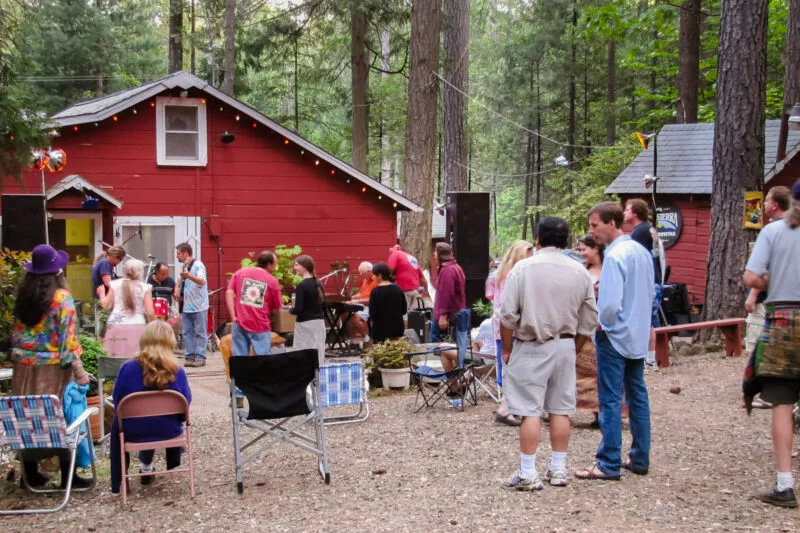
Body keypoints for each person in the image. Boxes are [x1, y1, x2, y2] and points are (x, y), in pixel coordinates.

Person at [499, 218, 597, 490]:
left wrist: (507, 348)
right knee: (561, 409)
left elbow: (507, 316)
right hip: (565, 343)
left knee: (530, 409)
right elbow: (588, 320)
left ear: (538, 239)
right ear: (566, 240)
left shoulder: (523, 269)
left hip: (531, 343)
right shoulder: (580, 272)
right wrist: (573, 347)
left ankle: (528, 472)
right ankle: (558, 469)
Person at [577, 201, 654, 481]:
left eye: (595, 225)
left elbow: (609, 302)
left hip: (615, 333)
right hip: (636, 332)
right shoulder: (641, 251)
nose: (591, 231)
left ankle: (608, 462)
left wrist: (602, 326)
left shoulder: (615, 255)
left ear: (612, 223)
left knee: (609, 398)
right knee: (637, 395)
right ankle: (640, 456)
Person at [11, 244, 92, 489]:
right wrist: (79, 372)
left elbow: (16, 336)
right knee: (62, 418)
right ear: (58, 273)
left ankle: (30, 475)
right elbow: (68, 344)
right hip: (54, 370)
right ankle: (71, 477)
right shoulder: (62, 300)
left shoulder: (23, 296)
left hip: (23, 368)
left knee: (28, 418)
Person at [742, 179, 800, 508]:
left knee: (781, 402)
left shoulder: (774, 232)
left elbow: (752, 277)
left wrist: (771, 276)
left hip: (783, 320)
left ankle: (785, 483)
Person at [109, 321, 192, 495]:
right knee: (155, 420)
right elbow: (185, 407)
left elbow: (118, 403)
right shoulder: (177, 371)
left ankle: (122, 480)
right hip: (168, 430)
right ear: (170, 342)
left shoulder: (127, 368)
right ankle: (147, 467)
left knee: (122, 422)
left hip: (133, 431)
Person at [491, 240, 533, 426]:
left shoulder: (500, 274)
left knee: (510, 366)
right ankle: (506, 408)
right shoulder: (515, 274)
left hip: (500, 324)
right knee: (514, 367)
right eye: (529, 253)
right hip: (511, 325)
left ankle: (509, 406)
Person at [624, 199, 663, 371]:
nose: (624, 212)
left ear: (635, 213)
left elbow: (636, 258)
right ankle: (650, 360)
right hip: (655, 279)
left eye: (627, 209)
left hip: (648, 281)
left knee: (644, 320)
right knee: (650, 322)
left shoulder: (639, 232)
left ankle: (645, 361)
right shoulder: (649, 228)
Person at [575, 235, 606, 427]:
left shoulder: (609, 269)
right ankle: (590, 408)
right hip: (585, 326)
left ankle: (604, 412)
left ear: (596, 249)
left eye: (584, 249)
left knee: (600, 371)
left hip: (604, 323)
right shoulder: (581, 270)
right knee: (583, 371)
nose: (581, 253)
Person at [226, 251, 282, 355]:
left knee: (239, 361)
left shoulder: (240, 273)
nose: (275, 267)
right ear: (269, 265)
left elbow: (229, 292)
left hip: (239, 323)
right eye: (275, 264)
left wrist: (233, 316)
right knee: (261, 362)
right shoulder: (272, 280)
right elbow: (277, 307)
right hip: (260, 325)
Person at [102, 259, 155, 358]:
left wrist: (101, 294)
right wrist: (155, 327)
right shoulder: (145, 287)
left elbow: (106, 306)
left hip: (115, 324)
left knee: (113, 360)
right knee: (137, 359)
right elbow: (150, 313)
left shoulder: (115, 284)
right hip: (137, 324)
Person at [431, 243, 469, 367]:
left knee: (437, 347)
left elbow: (447, 293)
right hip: (456, 314)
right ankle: (454, 382)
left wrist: (443, 315)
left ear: (440, 254)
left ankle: (464, 363)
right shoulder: (456, 267)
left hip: (447, 317)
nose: (434, 255)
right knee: (443, 348)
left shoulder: (447, 270)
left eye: (435, 252)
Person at [174, 243, 209, 368]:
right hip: (186, 305)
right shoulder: (185, 265)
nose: (177, 256)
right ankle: (190, 355)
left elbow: (202, 281)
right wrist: (177, 288)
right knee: (187, 332)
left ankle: (200, 356)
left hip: (198, 305)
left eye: (178, 253)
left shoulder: (198, 265)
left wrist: (188, 276)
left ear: (185, 253)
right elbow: (181, 280)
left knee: (200, 331)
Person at [290, 255, 327, 365]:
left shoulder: (301, 285)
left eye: (297, 265)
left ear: (304, 267)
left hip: (305, 324)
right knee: (319, 350)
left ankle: (305, 377)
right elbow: (324, 304)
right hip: (319, 322)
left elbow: (298, 309)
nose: (295, 267)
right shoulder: (318, 283)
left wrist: (290, 310)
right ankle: (318, 376)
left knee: (302, 350)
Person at [367, 262, 407, 343]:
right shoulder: (398, 289)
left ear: (380, 275)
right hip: (397, 329)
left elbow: (372, 313)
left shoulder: (375, 292)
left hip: (380, 331)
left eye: (374, 275)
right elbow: (404, 310)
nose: (372, 277)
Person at [92, 246, 126, 339]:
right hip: (104, 301)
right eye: (120, 260)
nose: (119, 263)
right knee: (104, 331)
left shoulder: (103, 263)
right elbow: (109, 283)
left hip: (102, 300)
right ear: (115, 257)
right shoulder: (105, 264)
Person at [387, 244, 430, 310]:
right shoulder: (411, 258)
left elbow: (390, 269)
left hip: (403, 289)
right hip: (414, 291)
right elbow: (422, 277)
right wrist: (426, 290)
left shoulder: (395, 254)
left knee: (402, 314)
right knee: (410, 313)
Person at [345, 261, 378, 342]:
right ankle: (354, 339)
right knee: (344, 313)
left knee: (352, 315)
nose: (361, 275)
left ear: (369, 272)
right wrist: (351, 298)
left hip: (372, 306)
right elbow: (361, 293)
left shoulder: (376, 281)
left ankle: (365, 337)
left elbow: (372, 300)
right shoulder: (365, 280)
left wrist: (355, 301)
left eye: (362, 273)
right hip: (363, 304)